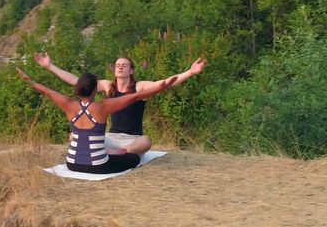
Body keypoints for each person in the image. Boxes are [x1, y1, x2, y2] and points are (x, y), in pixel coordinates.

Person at [34, 52, 207, 156]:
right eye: (117, 65)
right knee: (73, 136)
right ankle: (110, 152)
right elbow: (76, 81)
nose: (120, 67)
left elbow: (166, 82)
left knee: (146, 141)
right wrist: (50, 66)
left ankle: (121, 153)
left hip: (132, 140)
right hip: (110, 138)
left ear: (131, 70)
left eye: (124, 65)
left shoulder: (139, 87)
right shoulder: (108, 86)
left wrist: (190, 72)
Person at [16, 67, 177, 174]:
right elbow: (136, 96)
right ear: (95, 89)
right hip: (97, 165)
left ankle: (109, 152)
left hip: (72, 163)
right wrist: (162, 86)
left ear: (78, 88)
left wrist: (29, 80)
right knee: (134, 159)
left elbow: (47, 91)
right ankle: (110, 153)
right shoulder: (102, 107)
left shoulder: (69, 104)